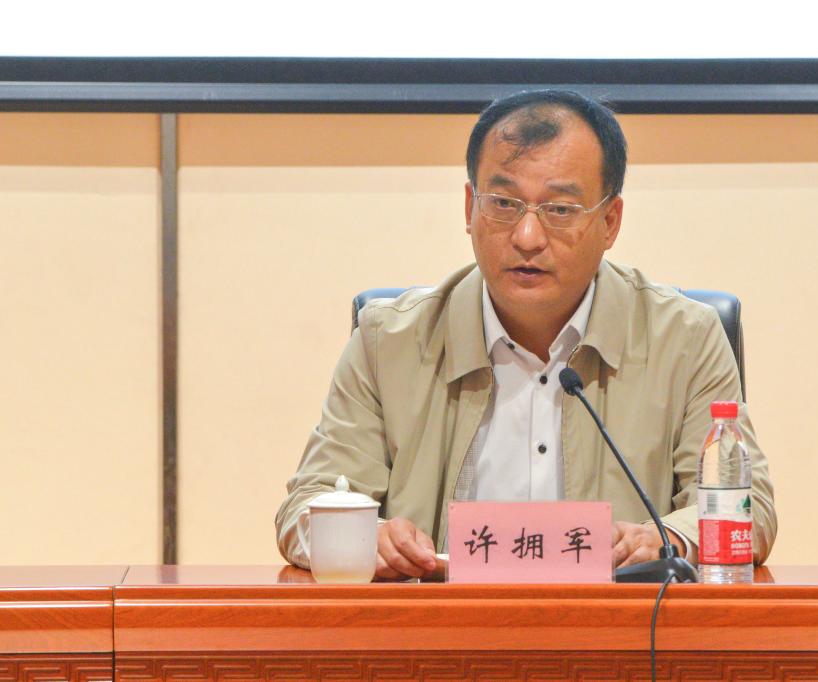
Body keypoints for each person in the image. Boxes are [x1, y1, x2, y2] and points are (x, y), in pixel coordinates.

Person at [276, 90, 776, 580]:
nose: (527, 237)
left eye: (560, 209)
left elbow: (748, 511)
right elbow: (306, 507)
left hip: (619, 630)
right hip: (439, 629)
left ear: (610, 222)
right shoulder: (388, 341)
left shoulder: (686, 338)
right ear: (469, 208)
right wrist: (369, 537)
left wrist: (665, 539)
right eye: (503, 203)